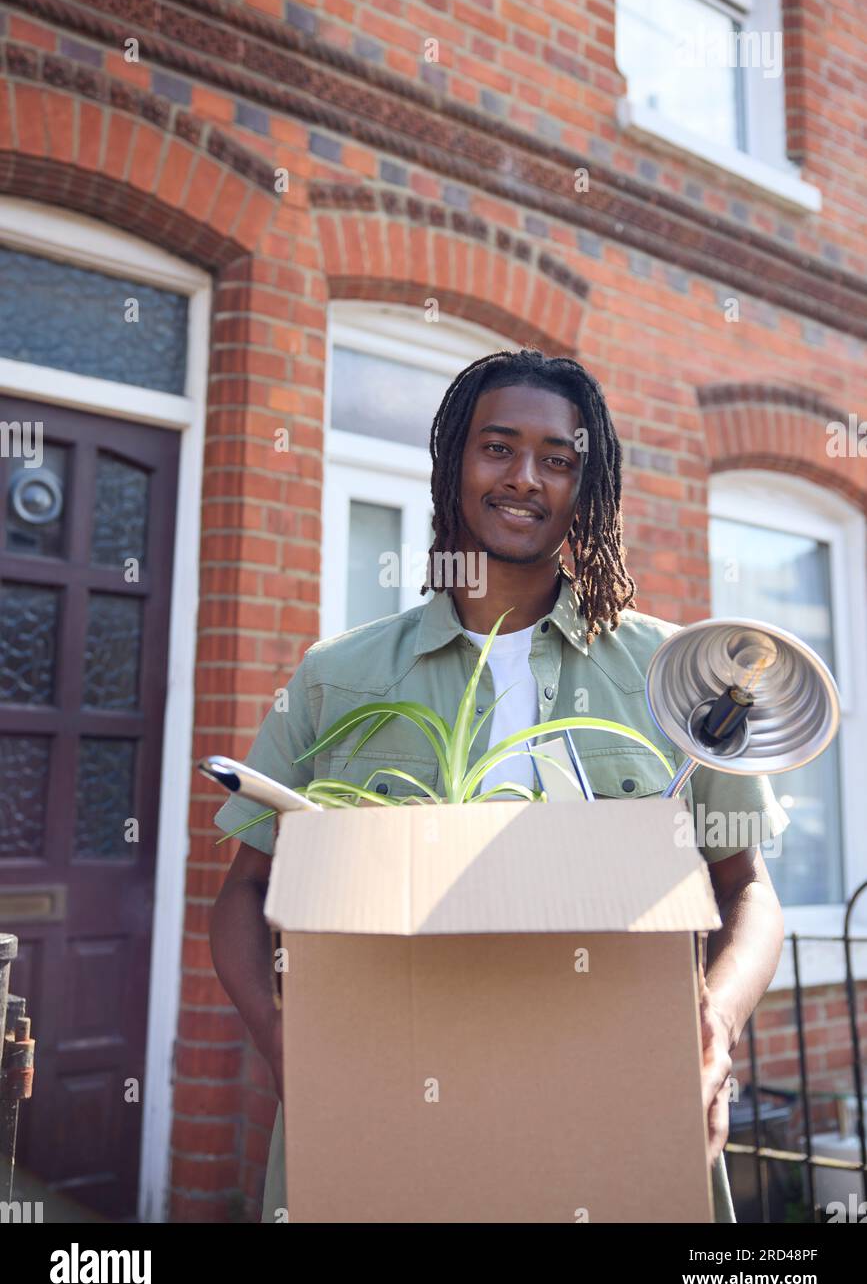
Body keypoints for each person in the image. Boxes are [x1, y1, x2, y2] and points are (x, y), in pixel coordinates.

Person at [209, 348, 788, 1223]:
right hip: (386, 1100)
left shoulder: (673, 677)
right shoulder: (338, 676)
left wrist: (713, 1023)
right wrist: (289, 1044)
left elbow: (744, 892)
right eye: (498, 448)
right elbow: (245, 893)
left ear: (586, 488)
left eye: (558, 459)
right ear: (453, 464)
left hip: (618, 1102)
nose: (525, 479)